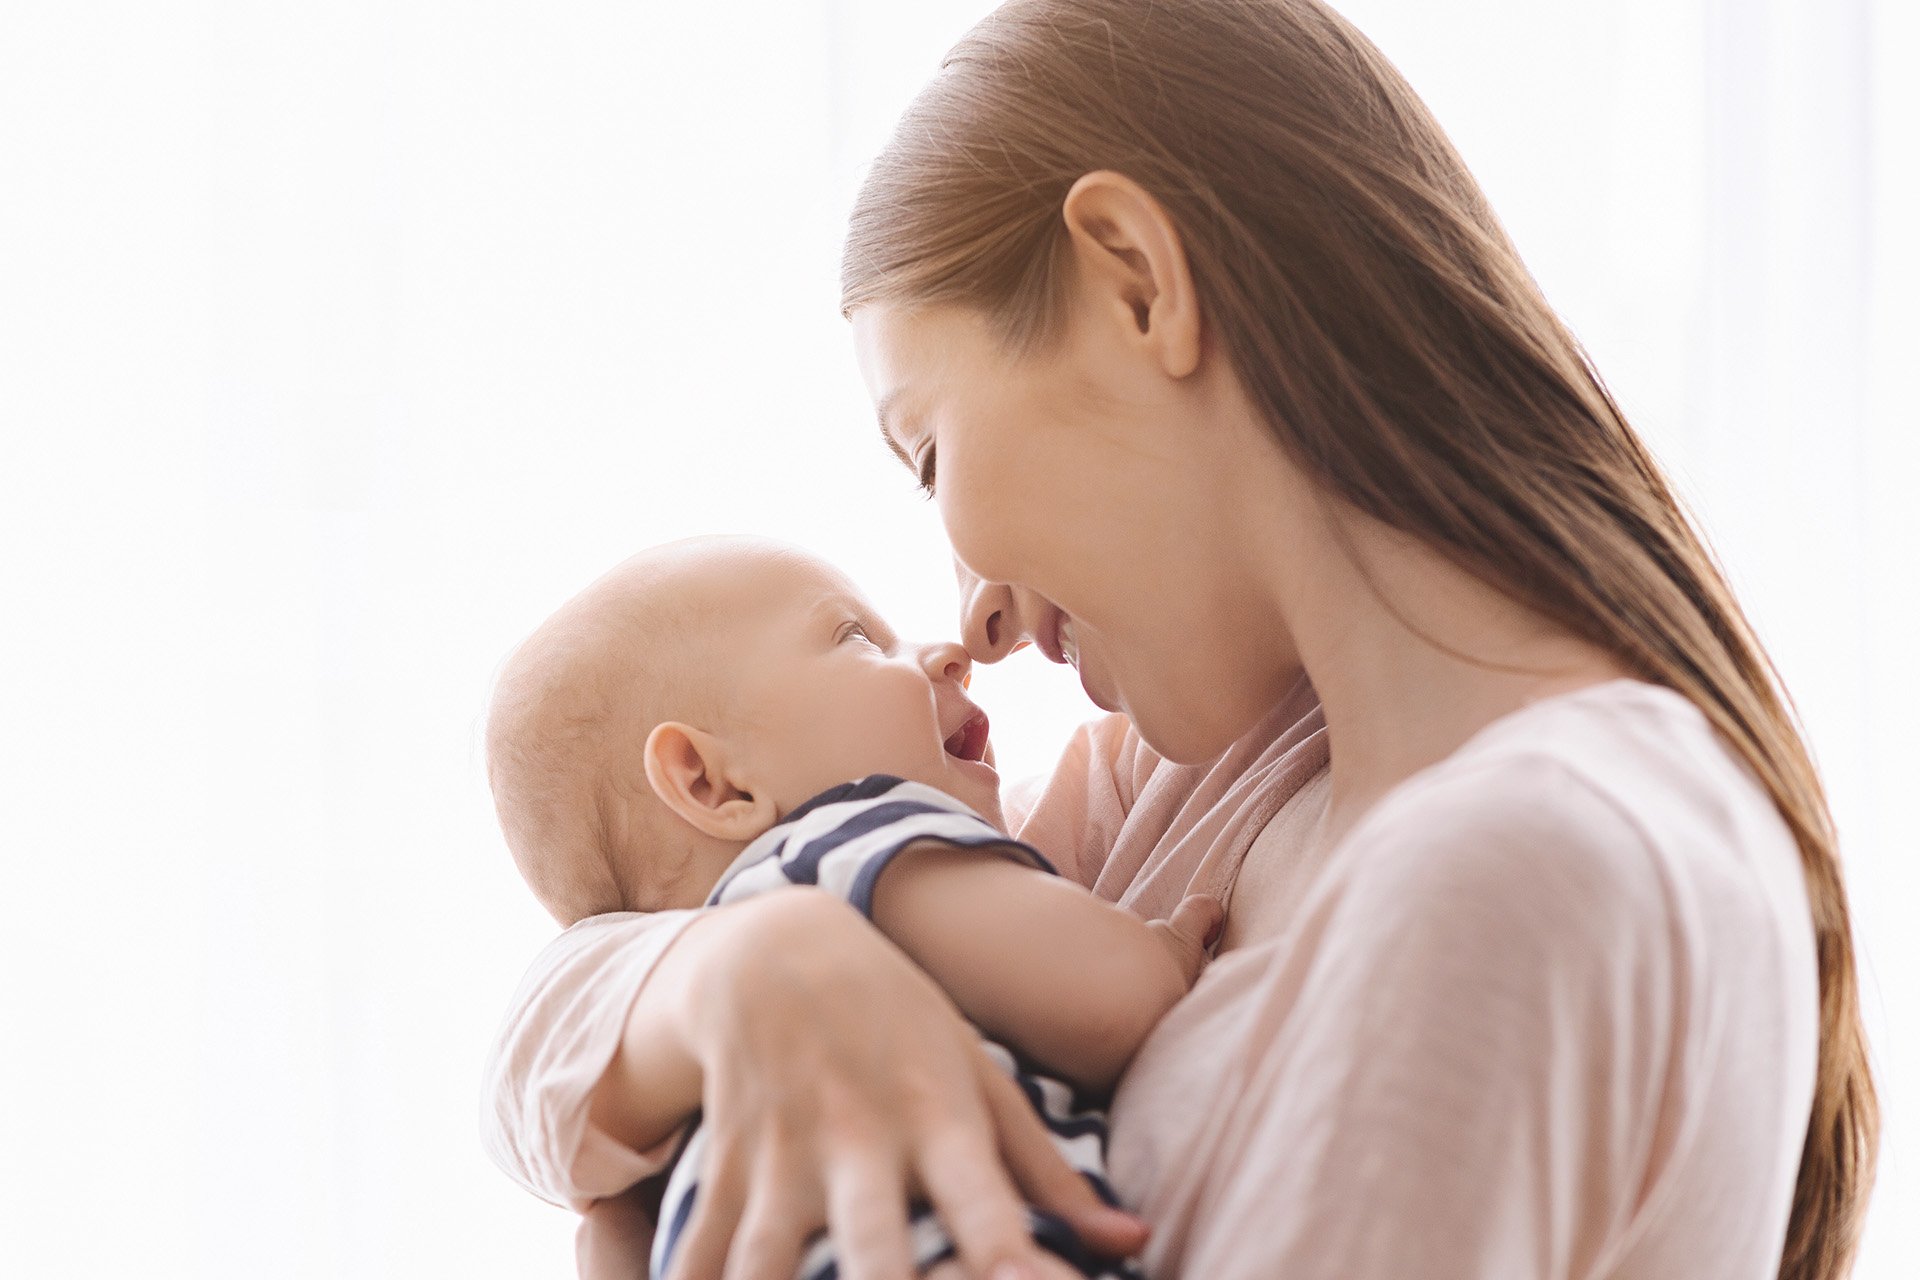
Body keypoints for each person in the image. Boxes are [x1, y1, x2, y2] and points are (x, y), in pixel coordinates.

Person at [487, 1, 1879, 1277]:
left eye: (928, 453)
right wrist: (738, 973)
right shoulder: (1184, 793)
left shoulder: (1529, 863)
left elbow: (610, 1171)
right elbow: (556, 1039)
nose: (967, 614)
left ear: (1138, 282)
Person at [482, 537, 1221, 1279]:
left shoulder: (684, 1088)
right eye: (858, 637)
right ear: (715, 785)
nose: (946, 652)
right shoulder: (855, 841)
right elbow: (1107, 1000)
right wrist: (1163, 949)